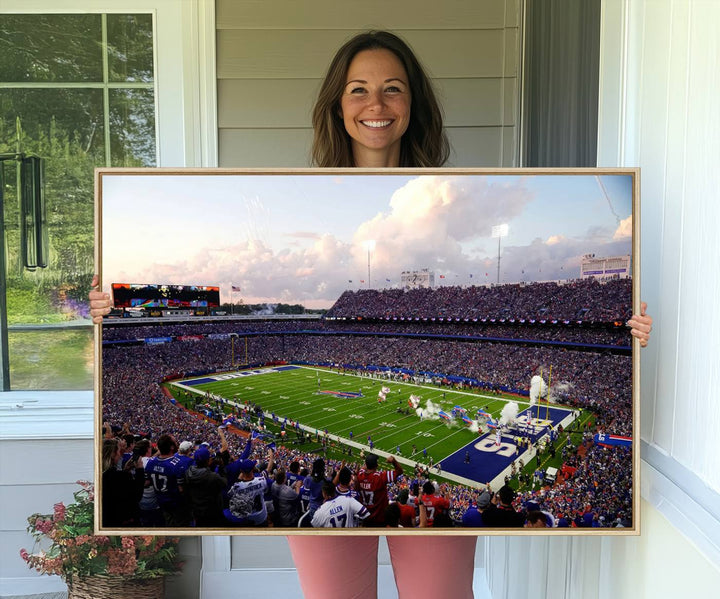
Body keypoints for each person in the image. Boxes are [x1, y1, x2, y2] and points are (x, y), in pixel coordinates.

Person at [89, 28, 653, 599]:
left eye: (393, 89)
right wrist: (105, 309)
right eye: (358, 89)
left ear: (414, 104)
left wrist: (630, 332)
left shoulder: (455, 187)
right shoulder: (291, 189)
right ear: (337, 105)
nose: (375, 104)